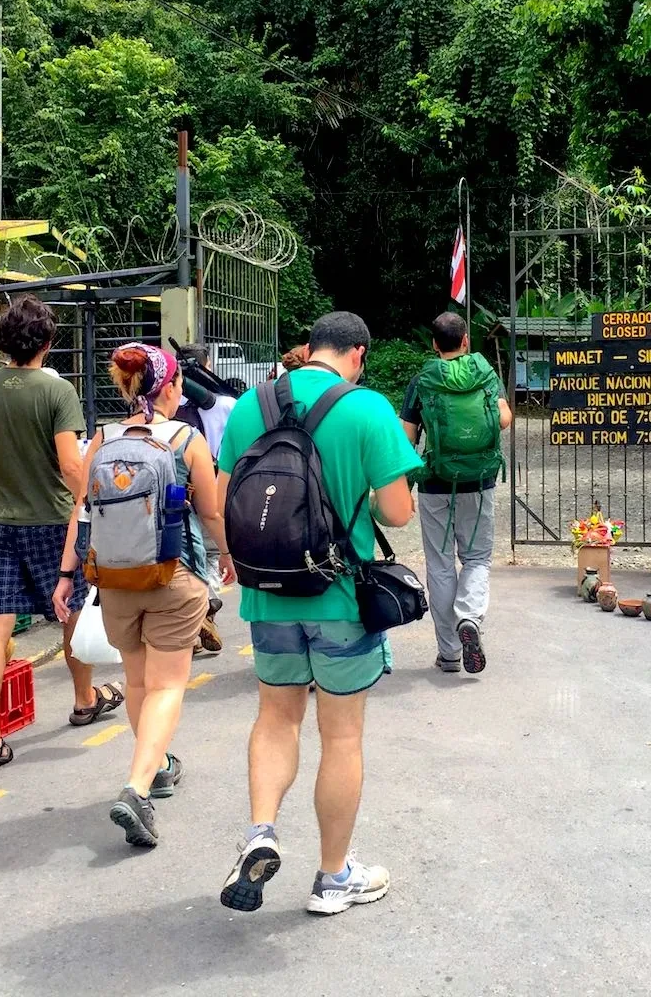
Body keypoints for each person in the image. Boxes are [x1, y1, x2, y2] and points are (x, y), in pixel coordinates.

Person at [216, 311, 421, 916]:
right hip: (339, 599)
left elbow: (229, 499)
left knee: (277, 718)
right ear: (357, 353)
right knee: (342, 735)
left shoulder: (251, 406)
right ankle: (333, 878)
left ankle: (259, 830)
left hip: (268, 595)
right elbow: (399, 514)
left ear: (309, 350)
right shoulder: (367, 409)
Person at [53, 342, 236, 847]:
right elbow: (212, 511)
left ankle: (155, 767)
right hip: (174, 576)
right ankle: (137, 787)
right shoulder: (186, 439)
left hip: (115, 581)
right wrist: (227, 554)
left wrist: (68, 575)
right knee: (168, 686)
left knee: (137, 683)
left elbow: (83, 512)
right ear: (171, 387)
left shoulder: (102, 440)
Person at [0, 296, 123, 777]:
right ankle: (83, 698)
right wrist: (86, 507)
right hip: (53, 521)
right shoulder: (57, 393)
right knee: (69, 609)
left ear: (3, 341)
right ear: (48, 344)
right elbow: (72, 464)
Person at [400, 313, 512, 675]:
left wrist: (403, 486)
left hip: (435, 482)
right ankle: (470, 619)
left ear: (434, 344)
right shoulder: (485, 374)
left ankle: (449, 653)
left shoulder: (422, 380)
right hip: (478, 480)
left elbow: (407, 438)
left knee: (440, 564)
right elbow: (505, 419)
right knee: (477, 558)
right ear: (466, 340)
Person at [176, 342, 236, 654]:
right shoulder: (226, 404)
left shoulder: (168, 402)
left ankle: (193, 621)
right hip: (213, 488)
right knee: (211, 556)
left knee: (183, 558)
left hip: (175, 493)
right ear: (207, 365)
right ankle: (205, 609)